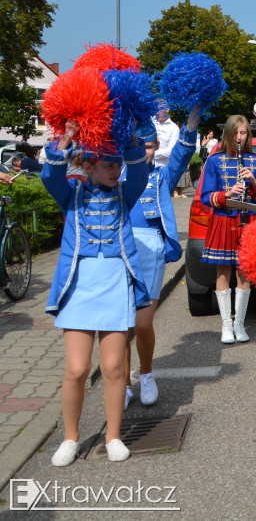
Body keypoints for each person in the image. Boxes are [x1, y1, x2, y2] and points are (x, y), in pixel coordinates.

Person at [43, 121, 149, 466]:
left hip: (116, 280)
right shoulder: (70, 193)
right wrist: (68, 136)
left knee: (115, 366)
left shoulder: (124, 192)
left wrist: (131, 139)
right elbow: (50, 174)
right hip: (79, 283)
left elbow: (139, 175)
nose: (115, 170)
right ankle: (70, 437)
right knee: (76, 369)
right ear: (88, 166)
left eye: (117, 164)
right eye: (108, 165)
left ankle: (113, 435)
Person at [124, 108, 199, 410]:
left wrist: (192, 122)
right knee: (121, 324)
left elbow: (182, 154)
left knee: (142, 323)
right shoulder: (118, 175)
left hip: (151, 250)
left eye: (151, 145)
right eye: (140, 145)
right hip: (120, 249)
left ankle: (146, 374)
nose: (146, 151)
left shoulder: (162, 177)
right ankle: (123, 382)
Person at [199, 114, 256, 344]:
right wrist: (226, 194)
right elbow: (205, 196)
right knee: (223, 271)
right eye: (237, 133)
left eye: (244, 133)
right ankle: (226, 326)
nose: (240, 138)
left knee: (245, 272)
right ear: (228, 134)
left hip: (248, 221)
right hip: (223, 219)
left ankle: (239, 324)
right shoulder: (214, 161)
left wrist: (254, 182)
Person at [153, 101, 182, 197]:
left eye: (160, 109)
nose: (157, 112)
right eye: (155, 109)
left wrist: (150, 154)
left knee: (161, 198)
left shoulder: (174, 128)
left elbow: (171, 151)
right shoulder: (149, 123)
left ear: (167, 109)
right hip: (146, 169)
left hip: (163, 170)